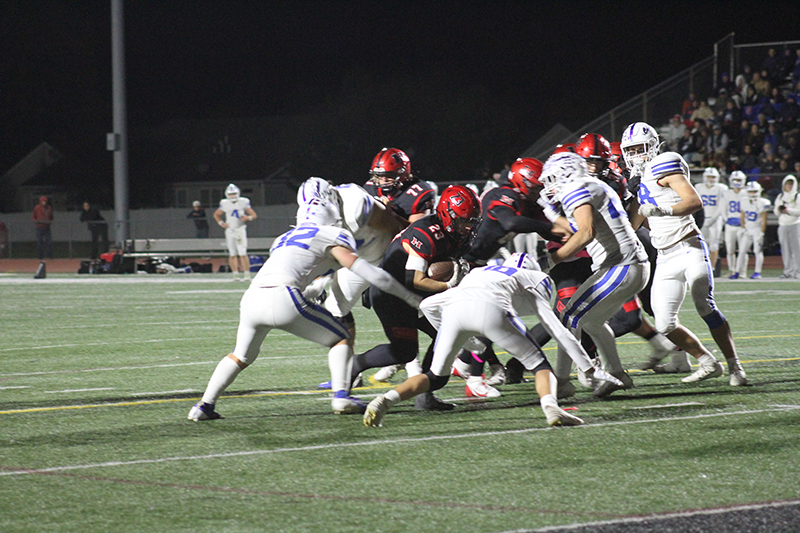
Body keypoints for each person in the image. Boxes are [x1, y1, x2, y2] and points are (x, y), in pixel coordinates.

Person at [188, 186, 422, 420]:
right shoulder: (331, 234)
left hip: (251, 298)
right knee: (340, 337)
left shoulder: (283, 238)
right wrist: (410, 297)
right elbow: (370, 273)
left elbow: (300, 273)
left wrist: (315, 289)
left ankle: (204, 405)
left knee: (240, 355)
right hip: (283, 296)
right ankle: (341, 396)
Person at [363, 253, 608, 428]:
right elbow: (556, 329)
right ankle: (551, 408)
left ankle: (386, 400)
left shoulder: (480, 271)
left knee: (435, 377)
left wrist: (465, 342)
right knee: (540, 366)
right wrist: (587, 367)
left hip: (453, 310)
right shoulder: (534, 277)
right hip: (492, 308)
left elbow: (427, 304)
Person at [622, 121, 747, 387]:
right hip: (665, 255)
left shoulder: (665, 162)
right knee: (665, 323)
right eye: (630, 151)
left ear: (654, 145)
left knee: (704, 303)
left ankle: (735, 366)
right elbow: (634, 224)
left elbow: (693, 201)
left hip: (689, 245)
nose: (635, 156)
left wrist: (661, 211)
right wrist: (628, 200)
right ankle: (707, 362)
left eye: (640, 149)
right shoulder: (639, 180)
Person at [349, 185, 481, 411]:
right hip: (392, 293)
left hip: (416, 296)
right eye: (462, 220)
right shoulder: (426, 233)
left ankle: (426, 394)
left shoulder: (456, 233)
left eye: (471, 221)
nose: (468, 226)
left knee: (446, 335)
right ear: (447, 215)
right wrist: (450, 283)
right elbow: (416, 280)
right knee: (405, 351)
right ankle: (354, 365)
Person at [538, 151, 650, 398]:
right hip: (627, 265)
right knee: (590, 321)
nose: (551, 186)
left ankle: (563, 381)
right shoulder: (590, 185)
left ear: (566, 174)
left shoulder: (576, 188)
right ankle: (618, 375)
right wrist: (552, 215)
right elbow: (580, 228)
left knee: (568, 317)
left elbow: (585, 233)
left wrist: (551, 259)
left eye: (553, 178)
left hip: (621, 265)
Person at [297, 178, 407, 389]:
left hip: (387, 252)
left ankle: (428, 368)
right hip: (359, 260)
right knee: (336, 308)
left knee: (408, 311)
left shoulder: (356, 203)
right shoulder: (310, 213)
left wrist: (400, 261)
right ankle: (349, 373)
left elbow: (393, 226)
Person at [362, 148, 437, 384]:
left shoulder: (419, 192)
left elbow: (418, 230)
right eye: (379, 176)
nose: (381, 181)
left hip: (409, 259)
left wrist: (388, 213)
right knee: (394, 314)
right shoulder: (369, 189)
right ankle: (404, 361)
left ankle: (408, 364)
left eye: (388, 176)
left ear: (403, 174)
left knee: (419, 313)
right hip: (378, 259)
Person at [214, 184, 257, 281]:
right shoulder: (224, 203)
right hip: (230, 230)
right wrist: (221, 223)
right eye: (231, 194)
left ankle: (247, 274)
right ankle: (235, 274)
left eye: (234, 194)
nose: (233, 196)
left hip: (240, 229)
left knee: (243, 252)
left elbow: (253, 215)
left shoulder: (243, 201)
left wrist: (248, 217)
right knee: (232, 253)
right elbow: (217, 214)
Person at [735, 181, 770, 280]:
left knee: (757, 251)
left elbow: (764, 219)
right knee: (741, 251)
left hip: (757, 230)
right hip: (747, 229)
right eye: (751, 191)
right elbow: (742, 216)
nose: (753, 194)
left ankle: (757, 272)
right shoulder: (744, 201)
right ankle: (737, 271)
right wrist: (743, 228)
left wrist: (762, 233)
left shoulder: (763, 202)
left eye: (755, 191)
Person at [696, 167, 728, 274]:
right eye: (709, 177)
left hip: (716, 218)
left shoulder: (721, 188)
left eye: (713, 177)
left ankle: (712, 269)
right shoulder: (698, 187)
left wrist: (713, 219)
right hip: (702, 218)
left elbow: (721, 206)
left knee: (714, 244)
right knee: (699, 244)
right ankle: (700, 267)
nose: (711, 179)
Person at [773, 175, 800, 278]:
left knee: (797, 249)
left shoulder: (797, 196)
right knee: (785, 249)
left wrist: (788, 210)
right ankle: (788, 271)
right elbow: (776, 211)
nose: (789, 186)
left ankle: (798, 271)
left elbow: (799, 212)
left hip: (795, 224)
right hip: (783, 225)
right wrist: (780, 210)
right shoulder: (780, 197)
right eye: (787, 183)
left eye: (791, 184)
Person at [723, 171, 747, 278]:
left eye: (739, 180)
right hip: (730, 224)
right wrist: (726, 220)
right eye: (735, 180)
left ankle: (742, 271)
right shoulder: (727, 193)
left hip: (743, 225)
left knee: (743, 250)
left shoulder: (746, 193)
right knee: (730, 250)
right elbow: (723, 209)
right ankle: (731, 270)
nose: (737, 182)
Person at [31, 195, 53, 260]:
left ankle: (49, 256)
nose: (44, 202)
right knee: (39, 242)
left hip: (47, 227)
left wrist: (50, 221)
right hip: (39, 227)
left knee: (49, 242)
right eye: (43, 201)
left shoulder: (49, 208)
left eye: (45, 201)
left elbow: (51, 216)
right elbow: (33, 216)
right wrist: (36, 221)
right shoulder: (37, 207)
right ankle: (40, 256)